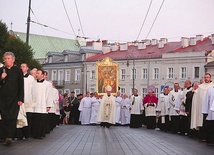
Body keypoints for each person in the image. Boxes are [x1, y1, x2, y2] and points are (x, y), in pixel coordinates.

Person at [0, 52, 24, 146]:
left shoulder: (18, 70)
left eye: (9, 58)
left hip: (14, 98)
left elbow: (21, 86)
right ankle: (4, 136)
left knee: (12, 117)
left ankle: (10, 137)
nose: (7, 60)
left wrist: (20, 99)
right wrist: (1, 78)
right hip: (2, 98)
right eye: (5, 59)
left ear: (13, 60)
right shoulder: (1, 70)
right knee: (4, 117)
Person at [15, 63, 36, 140]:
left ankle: (27, 134)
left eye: (23, 67)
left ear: (27, 68)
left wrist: (33, 101)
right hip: (19, 100)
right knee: (19, 117)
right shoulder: (17, 76)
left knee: (28, 117)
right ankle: (19, 135)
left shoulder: (31, 78)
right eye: (20, 66)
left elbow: (33, 91)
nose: (21, 68)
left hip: (28, 100)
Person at [31, 69, 53, 139]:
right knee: (35, 120)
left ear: (43, 75)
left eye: (38, 73)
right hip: (35, 105)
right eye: (36, 73)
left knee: (42, 120)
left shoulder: (47, 84)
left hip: (43, 105)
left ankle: (41, 134)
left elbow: (49, 95)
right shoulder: (33, 83)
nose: (36, 74)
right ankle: (35, 134)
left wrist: (48, 105)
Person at [193, 73, 213, 141]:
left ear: (210, 78)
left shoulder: (212, 86)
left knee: (209, 123)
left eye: (207, 77)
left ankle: (209, 138)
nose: (206, 79)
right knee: (201, 122)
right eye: (205, 77)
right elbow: (197, 98)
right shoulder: (200, 87)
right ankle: (202, 136)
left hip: (210, 108)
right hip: (201, 107)